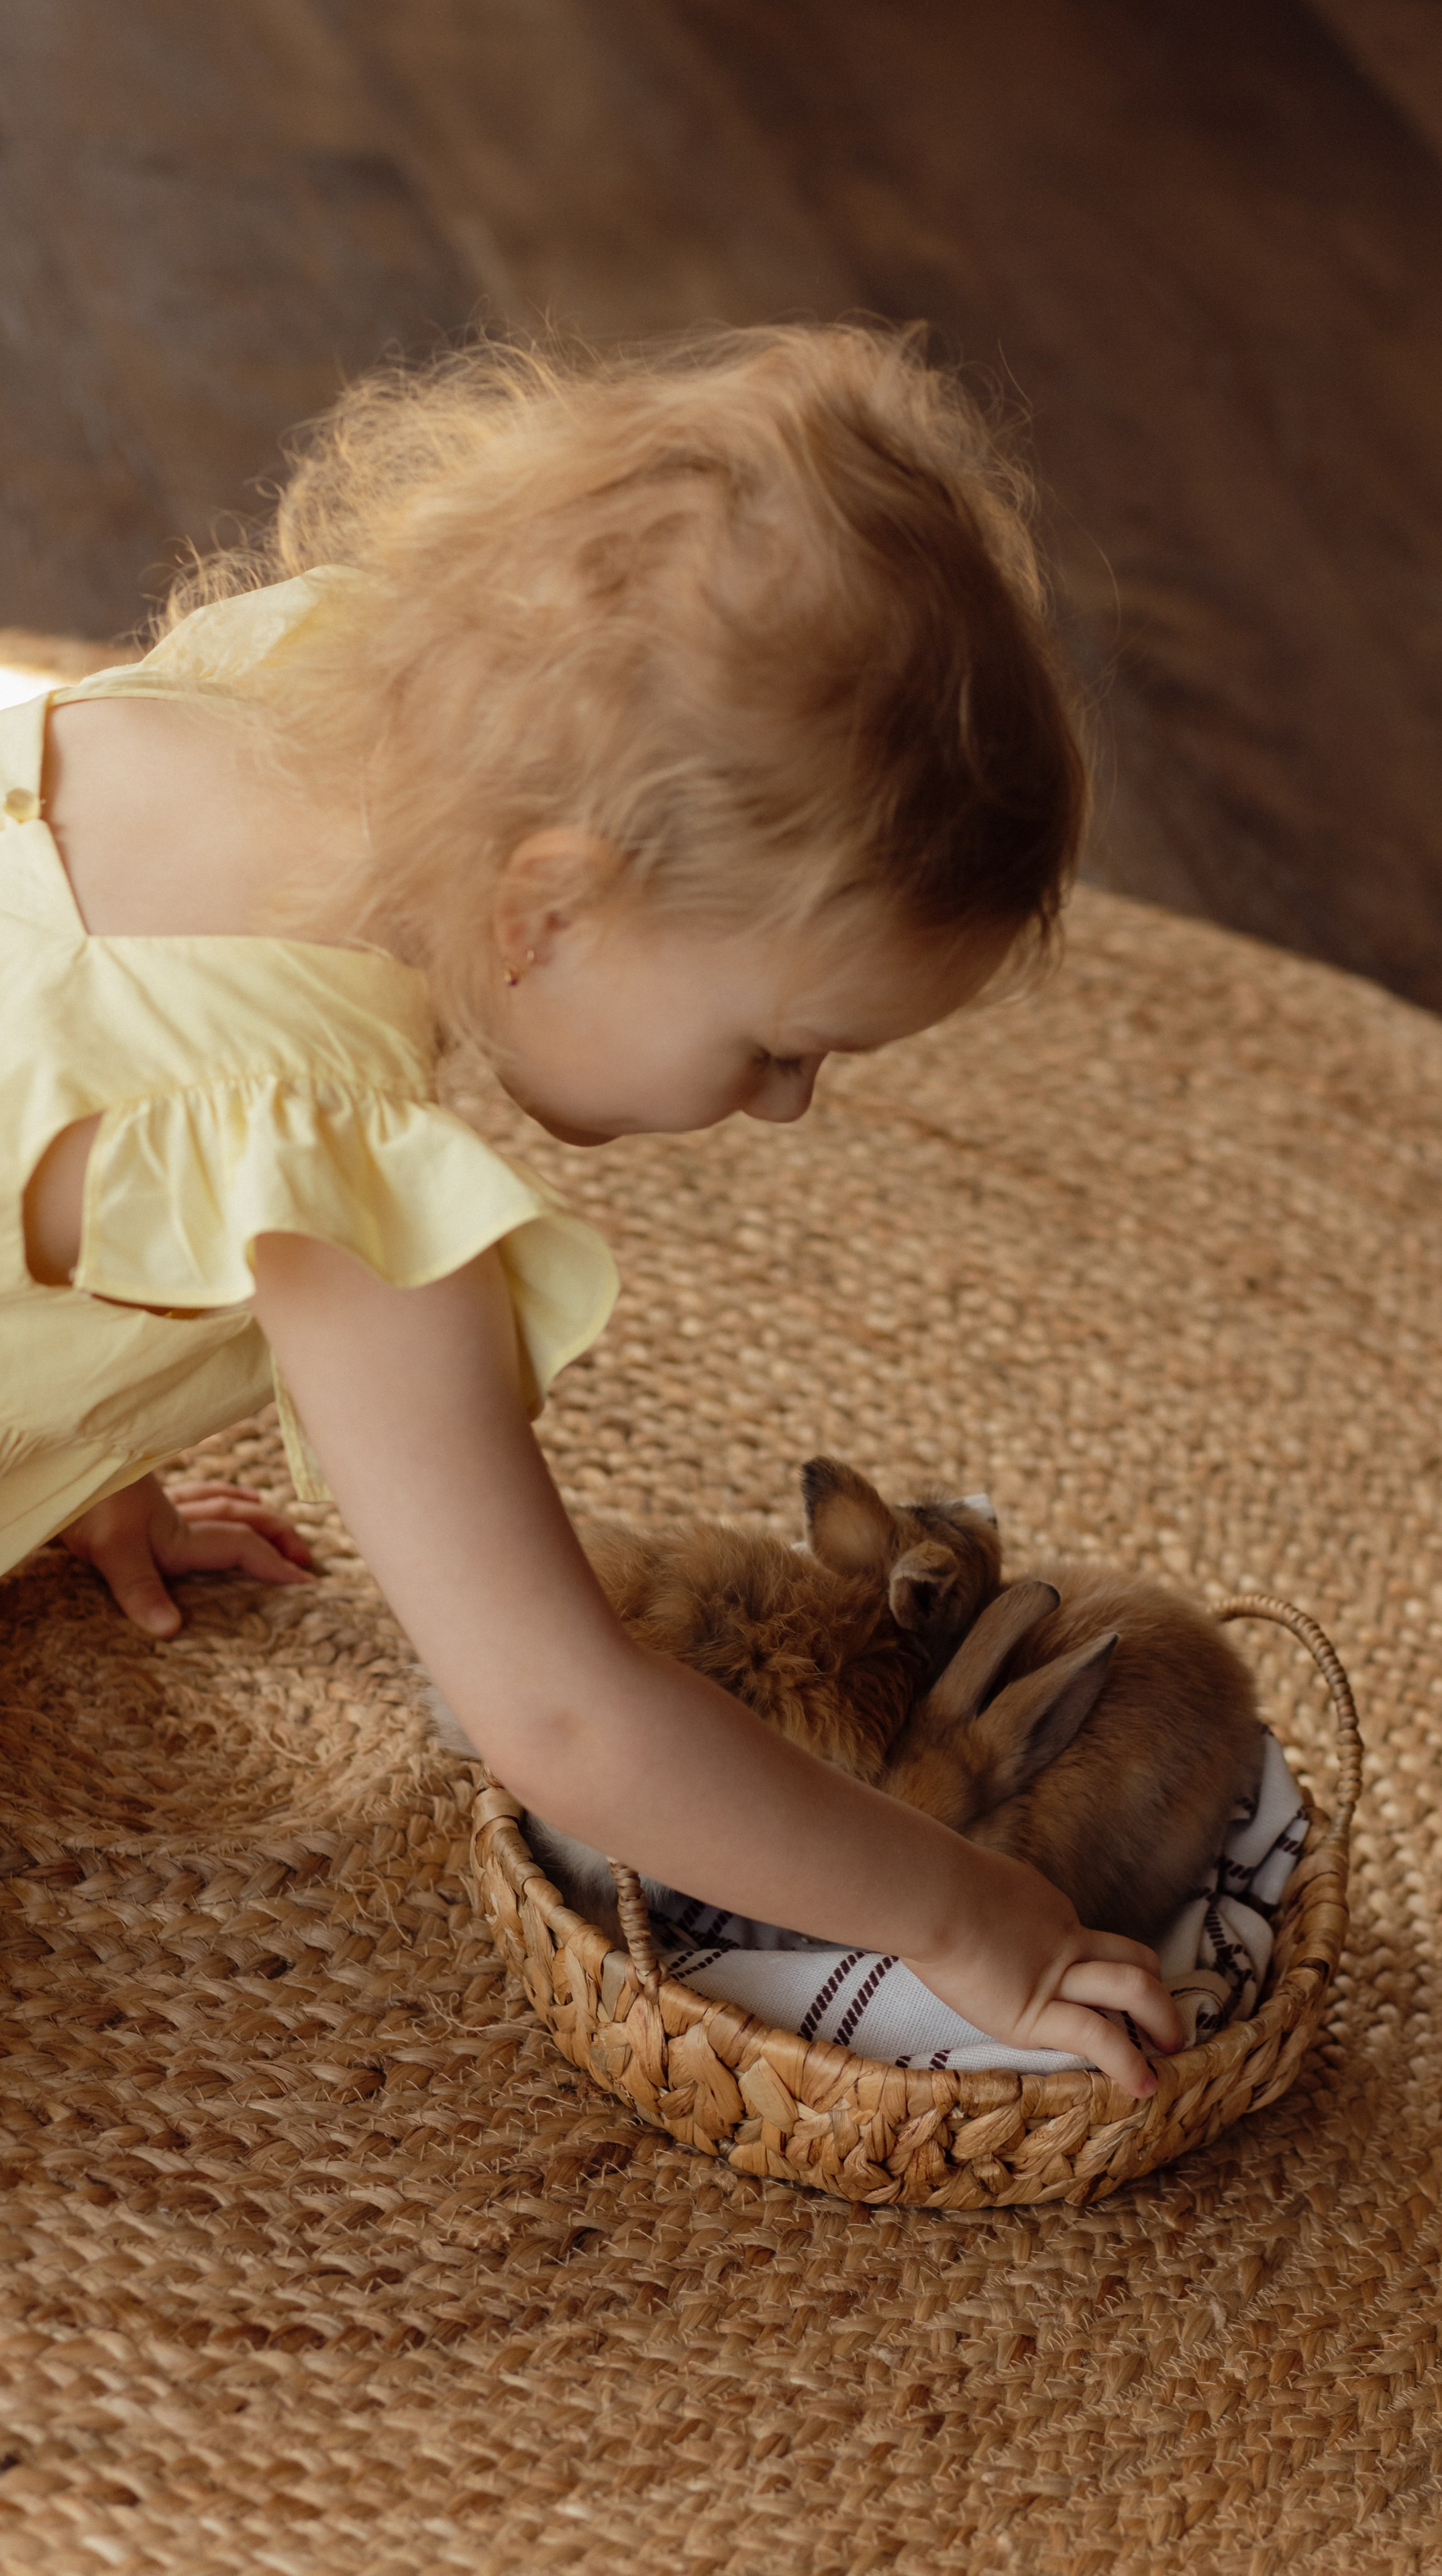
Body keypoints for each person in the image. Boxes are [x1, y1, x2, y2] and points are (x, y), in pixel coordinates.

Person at [0, 325, 1178, 2092]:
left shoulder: (260, 696)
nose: (787, 1108)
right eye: (778, 1047)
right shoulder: (329, 1170)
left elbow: (54, 1061)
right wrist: (963, 1918)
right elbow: (564, 1720)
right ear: (545, 912)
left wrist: (90, 1440)